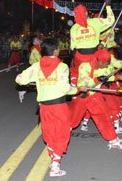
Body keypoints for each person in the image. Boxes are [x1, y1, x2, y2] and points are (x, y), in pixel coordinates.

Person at [15, 38, 85, 177]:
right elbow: (66, 89)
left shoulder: (36, 66)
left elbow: (20, 79)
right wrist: (78, 89)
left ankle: (54, 157)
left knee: (50, 133)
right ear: (55, 50)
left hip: (44, 108)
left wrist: (36, 82)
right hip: (58, 106)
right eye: (58, 48)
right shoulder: (62, 67)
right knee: (62, 133)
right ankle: (55, 166)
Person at [69, 49, 122, 151]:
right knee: (72, 120)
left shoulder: (104, 68)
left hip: (95, 96)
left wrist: (118, 77)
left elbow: (108, 77)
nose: (107, 65)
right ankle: (60, 137)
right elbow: (84, 85)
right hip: (82, 97)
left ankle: (113, 140)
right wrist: (97, 79)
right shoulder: (84, 66)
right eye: (105, 63)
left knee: (104, 118)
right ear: (99, 61)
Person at [18, 37, 42, 103]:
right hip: (37, 68)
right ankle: (23, 91)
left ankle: (23, 91)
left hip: (40, 67)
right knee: (36, 83)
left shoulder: (40, 48)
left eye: (38, 39)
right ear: (34, 43)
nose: (39, 40)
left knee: (37, 83)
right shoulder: (35, 49)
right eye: (37, 40)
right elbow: (34, 60)